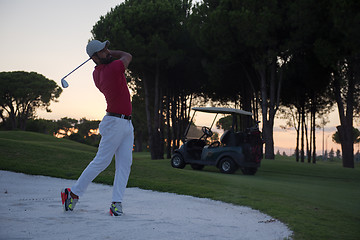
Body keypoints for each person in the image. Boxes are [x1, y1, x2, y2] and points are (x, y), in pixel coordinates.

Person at [61, 40, 134, 216]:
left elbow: (112, 60)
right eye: (103, 50)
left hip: (125, 124)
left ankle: (116, 203)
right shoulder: (112, 68)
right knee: (102, 161)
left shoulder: (97, 73)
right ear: (94, 57)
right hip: (115, 123)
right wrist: (113, 51)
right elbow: (128, 56)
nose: (107, 52)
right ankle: (73, 194)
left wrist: (105, 53)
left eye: (107, 48)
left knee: (125, 164)